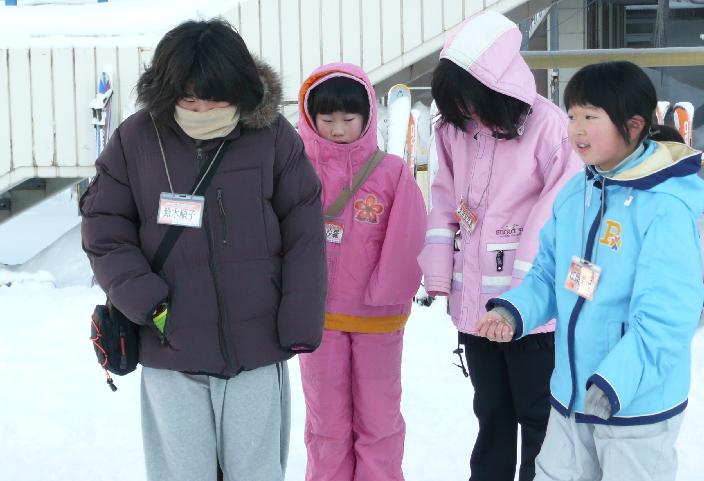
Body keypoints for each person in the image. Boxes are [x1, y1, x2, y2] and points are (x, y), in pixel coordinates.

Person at [80, 19, 327, 481]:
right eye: (189, 98)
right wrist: (151, 305)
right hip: (170, 344)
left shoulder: (272, 136)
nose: (201, 109)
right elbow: (104, 228)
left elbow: (304, 229)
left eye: (214, 98)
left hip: (256, 347)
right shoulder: (136, 139)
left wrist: (298, 318)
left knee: (256, 473)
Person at [476, 61, 704, 481]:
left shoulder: (664, 208)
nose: (576, 129)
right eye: (572, 115)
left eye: (590, 116)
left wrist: (615, 382)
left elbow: (668, 317)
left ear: (633, 126)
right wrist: (514, 311)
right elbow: (548, 275)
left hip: (636, 408)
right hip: (571, 398)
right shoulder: (576, 194)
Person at [417, 11, 582, 481]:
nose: (464, 110)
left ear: (498, 87)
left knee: (537, 415)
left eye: (469, 98)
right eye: (455, 101)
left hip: (533, 318)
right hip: (476, 310)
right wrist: (438, 272)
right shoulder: (453, 130)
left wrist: (522, 298)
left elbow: (553, 215)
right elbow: (444, 201)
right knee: (491, 413)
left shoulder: (549, 128)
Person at [296, 63, 427, 481]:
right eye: (327, 119)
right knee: (326, 424)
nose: (338, 129)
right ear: (310, 118)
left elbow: (408, 236)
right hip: (318, 321)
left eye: (349, 118)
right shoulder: (297, 172)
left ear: (368, 116)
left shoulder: (391, 172)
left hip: (376, 320)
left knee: (379, 420)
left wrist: (387, 295)